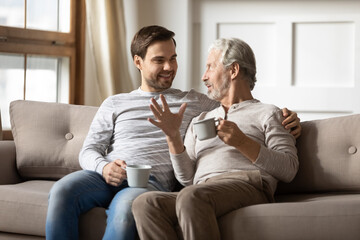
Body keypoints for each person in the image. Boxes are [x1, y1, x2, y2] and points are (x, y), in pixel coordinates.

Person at [45, 26, 300, 240]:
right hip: (117, 175)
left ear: (232, 70)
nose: (170, 66)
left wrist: (288, 120)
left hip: (166, 182)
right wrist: (105, 166)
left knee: (139, 204)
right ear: (138, 62)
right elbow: (90, 150)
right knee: (68, 192)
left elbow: (247, 111)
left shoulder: (201, 104)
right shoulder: (200, 115)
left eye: (173, 58)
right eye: (159, 60)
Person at [132, 38, 299, 240]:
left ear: (233, 70)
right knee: (145, 203)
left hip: (248, 185)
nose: (204, 77)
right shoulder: (201, 119)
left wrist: (242, 142)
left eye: (210, 67)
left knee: (191, 196)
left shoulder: (268, 113)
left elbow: (289, 169)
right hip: (202, 189)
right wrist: (173, 137)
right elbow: (187, 179)